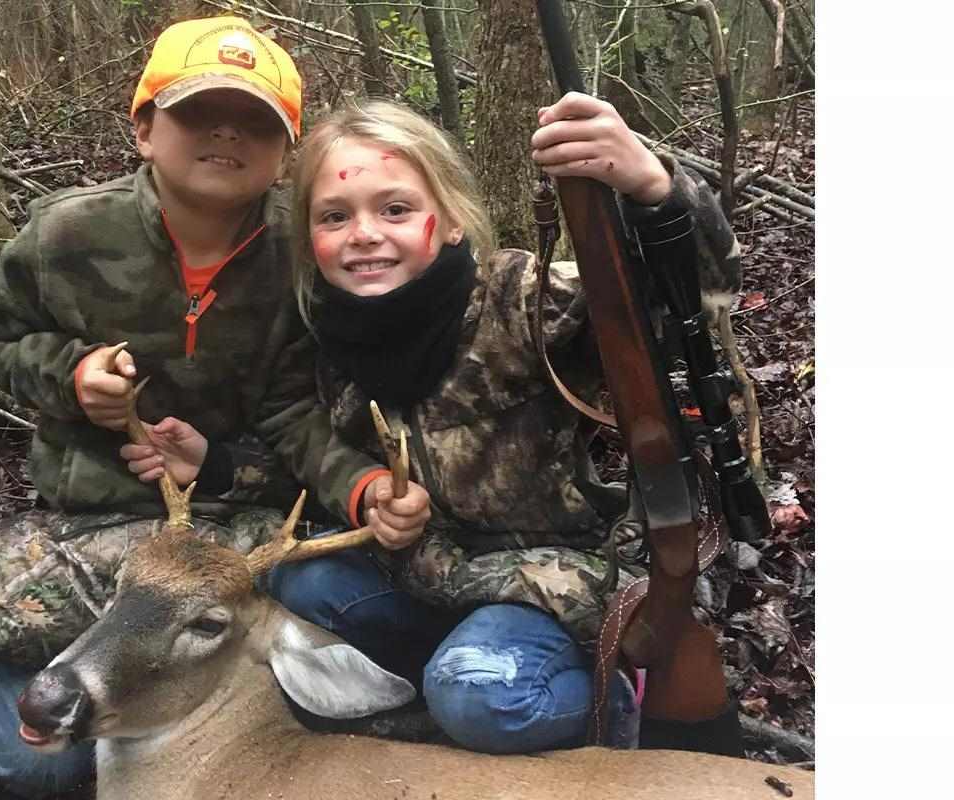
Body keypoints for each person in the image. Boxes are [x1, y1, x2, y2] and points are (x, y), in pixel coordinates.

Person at [0, 17, 429, 798]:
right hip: (93, 524)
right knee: (34, 767)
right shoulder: (67, 232)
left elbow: (292, 412)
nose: (225, 133)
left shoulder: (303, 252)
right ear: (144, 129)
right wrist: (72, 378)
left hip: (230, 526)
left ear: (286, 156)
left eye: (256, 123)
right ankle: (34, 622)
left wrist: (358, 487)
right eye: (196, 112)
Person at [257, 96, 740, 753]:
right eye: (334, 216)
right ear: (309, 240)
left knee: (479, 695)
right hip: (427, 579)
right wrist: (367, 492)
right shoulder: (326, 333)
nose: (364, 234)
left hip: (550, 589)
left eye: (395, 209)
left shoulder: (522, 300)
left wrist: (654, 187)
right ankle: (439, 690)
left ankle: (619, 705)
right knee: (298, 586)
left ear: (452, 221)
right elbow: (295, 434)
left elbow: (696, 302)